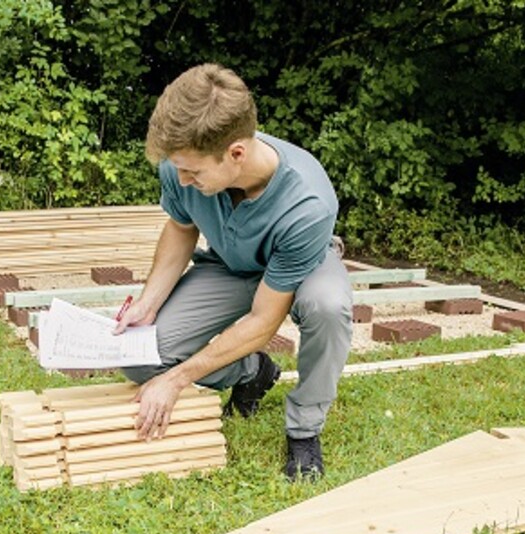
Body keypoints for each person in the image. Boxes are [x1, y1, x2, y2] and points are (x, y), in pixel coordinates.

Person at [115, 63, 352, 480]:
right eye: (177, 168)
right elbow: (181, 227)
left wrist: (178, 380)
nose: (182, 180)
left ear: (236, 153)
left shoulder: (308, 204)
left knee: (327, 307)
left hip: (301, 264)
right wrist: (148, 304)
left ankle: (304, 431)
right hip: (231, 263)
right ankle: (252, 371)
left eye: (193, 172)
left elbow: (264, 321)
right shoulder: (181, 163)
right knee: (142, 357)